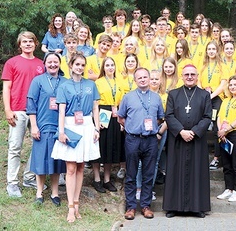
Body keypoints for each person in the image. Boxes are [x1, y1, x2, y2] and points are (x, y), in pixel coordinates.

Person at [51, 53, 101, 222]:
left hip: (87, 125)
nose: (80, 67)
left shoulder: (90, 85)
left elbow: (95, 109)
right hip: (70, 126)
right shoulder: (64, 86)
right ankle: (70, 207)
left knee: (81, 167)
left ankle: (77, 202)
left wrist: (97, 128)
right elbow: (61, 110)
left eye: (82, 65)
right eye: (77, 64)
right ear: (71, 65)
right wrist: (62, 131)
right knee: (70, 168)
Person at [163, 64, 212, 218]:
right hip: (178, 139)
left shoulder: (204, 95)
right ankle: (173, 206)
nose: (189, 77)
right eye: (186, 75)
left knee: (197, 171)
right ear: (182, 76)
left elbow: (207, 117)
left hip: (197, 140)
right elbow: (169, 115)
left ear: (197, 76)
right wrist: (181, 131)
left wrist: (195, 131)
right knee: (174, 170)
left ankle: (197, 207)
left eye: (192, 74)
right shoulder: (173, 94)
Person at [118, 68, 164, 220]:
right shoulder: (128, 97)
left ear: (150, 79)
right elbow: (121, 118)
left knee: (148, 174)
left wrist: (148, 129)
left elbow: (159, 118)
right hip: (133, 139)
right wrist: (133, 127)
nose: (143, 80)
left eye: (145, 77)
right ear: (135, 80)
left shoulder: (156, 97)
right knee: (131, 174)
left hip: (150, 140)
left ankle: (145, 205)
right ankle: (130, 207)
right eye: (140, 78)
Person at [2, 31, 45, 197]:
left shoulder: (41, 64)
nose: (28, 44)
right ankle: (12, 183)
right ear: (20, 45)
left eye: (31, 41)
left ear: (35, 44)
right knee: (15, 147)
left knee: (38, 146)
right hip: (18, 110)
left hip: (37, 111)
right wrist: (7, 109)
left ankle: (29, 177)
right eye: (25, 42)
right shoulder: (12, 63)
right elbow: (7, 87)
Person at [27, 53, 67, 205]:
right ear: (44, 63)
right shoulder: (38, 81)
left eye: (55, 62)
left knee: (57, 160)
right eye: (49, 62)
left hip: (60, 127)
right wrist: (34, 126)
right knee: (41, 159)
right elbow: (31, 104)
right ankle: (39, 192)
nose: (52, 64)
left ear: (59, 63)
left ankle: (55, 193)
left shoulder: (65, 82)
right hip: (42, 125)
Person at [92, 57, 123, 193]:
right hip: (103, 113)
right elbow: (95, 103)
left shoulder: (119, 81)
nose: (110, 67)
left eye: (112, 65)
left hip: (116, 114)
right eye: (107, 65)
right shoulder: (98, 82)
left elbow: (122, 102)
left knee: (111, 148)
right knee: (100, 148)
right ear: (103, 68)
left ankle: (107, 179)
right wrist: (98, 121)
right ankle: (97, 179)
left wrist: (122, 120)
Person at [216, 75, 236, 202]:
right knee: (226, 164)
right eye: (230, 85)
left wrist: (226, 129)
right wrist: (221, 131)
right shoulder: (226, 100)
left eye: (235, 84)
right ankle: (228, 189)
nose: (233, 87)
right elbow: (219, 117)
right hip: (223, 135)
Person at [198, 40, 229, 170]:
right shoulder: (203, 65)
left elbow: (223, 84)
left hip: (216, 99)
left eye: (213, 49)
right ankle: (199, 157)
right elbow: (198, 80)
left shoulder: (222, 65)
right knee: (201, 126)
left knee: (216, 128)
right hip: (204, 97)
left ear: (217, 51)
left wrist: (211, 95)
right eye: (209, 49)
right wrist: (203, 93)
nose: (211, 51)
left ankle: (216, 158)